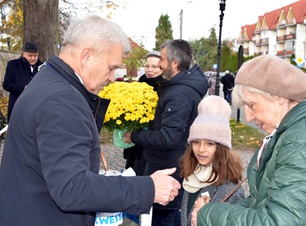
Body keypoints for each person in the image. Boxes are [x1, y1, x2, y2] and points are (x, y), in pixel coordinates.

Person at [0, 16, 181, 226]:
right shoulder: (63, 99)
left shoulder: (48, 81)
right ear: (86, 56)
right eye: (111, 67)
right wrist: (148, 188)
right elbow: (72, 188)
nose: (112, 77)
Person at [192, 54, 306, 226]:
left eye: (252, 105)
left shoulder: (298, 140)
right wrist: (214, 210)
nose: (248, 116)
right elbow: (260, 202)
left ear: (279, 97)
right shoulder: (286, 134)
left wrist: (207, 214)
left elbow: (281, 221)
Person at [124, 39, 208, 226]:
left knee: (163, 218)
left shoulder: (178, 94)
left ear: (174, 63)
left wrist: (135, 136)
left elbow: (169, 137)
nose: (160, 65)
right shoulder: (178, 88)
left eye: (162, 59)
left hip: (167, 168)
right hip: (169, 166)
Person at [179, 95, 245, 226]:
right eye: (196, 142)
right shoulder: (192, 176)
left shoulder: (230, 189)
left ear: (221, 148)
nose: (201, 149)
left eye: (210, 144)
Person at [123, 50, 164, 176]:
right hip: (136, 141)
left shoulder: (165, 87)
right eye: (147, 66)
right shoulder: (140, 83)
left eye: (154, 67)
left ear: (163, 68)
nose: (149, 70)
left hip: (152, 141)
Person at [2, 41, 43, 122]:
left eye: (35, 56)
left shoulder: (42, 67)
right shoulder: (13, 65)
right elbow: (7, 84)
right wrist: (23, 88)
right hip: (18, 106)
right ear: (23, 54)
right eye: (30, 56)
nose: (33, 58)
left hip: (36, 108)